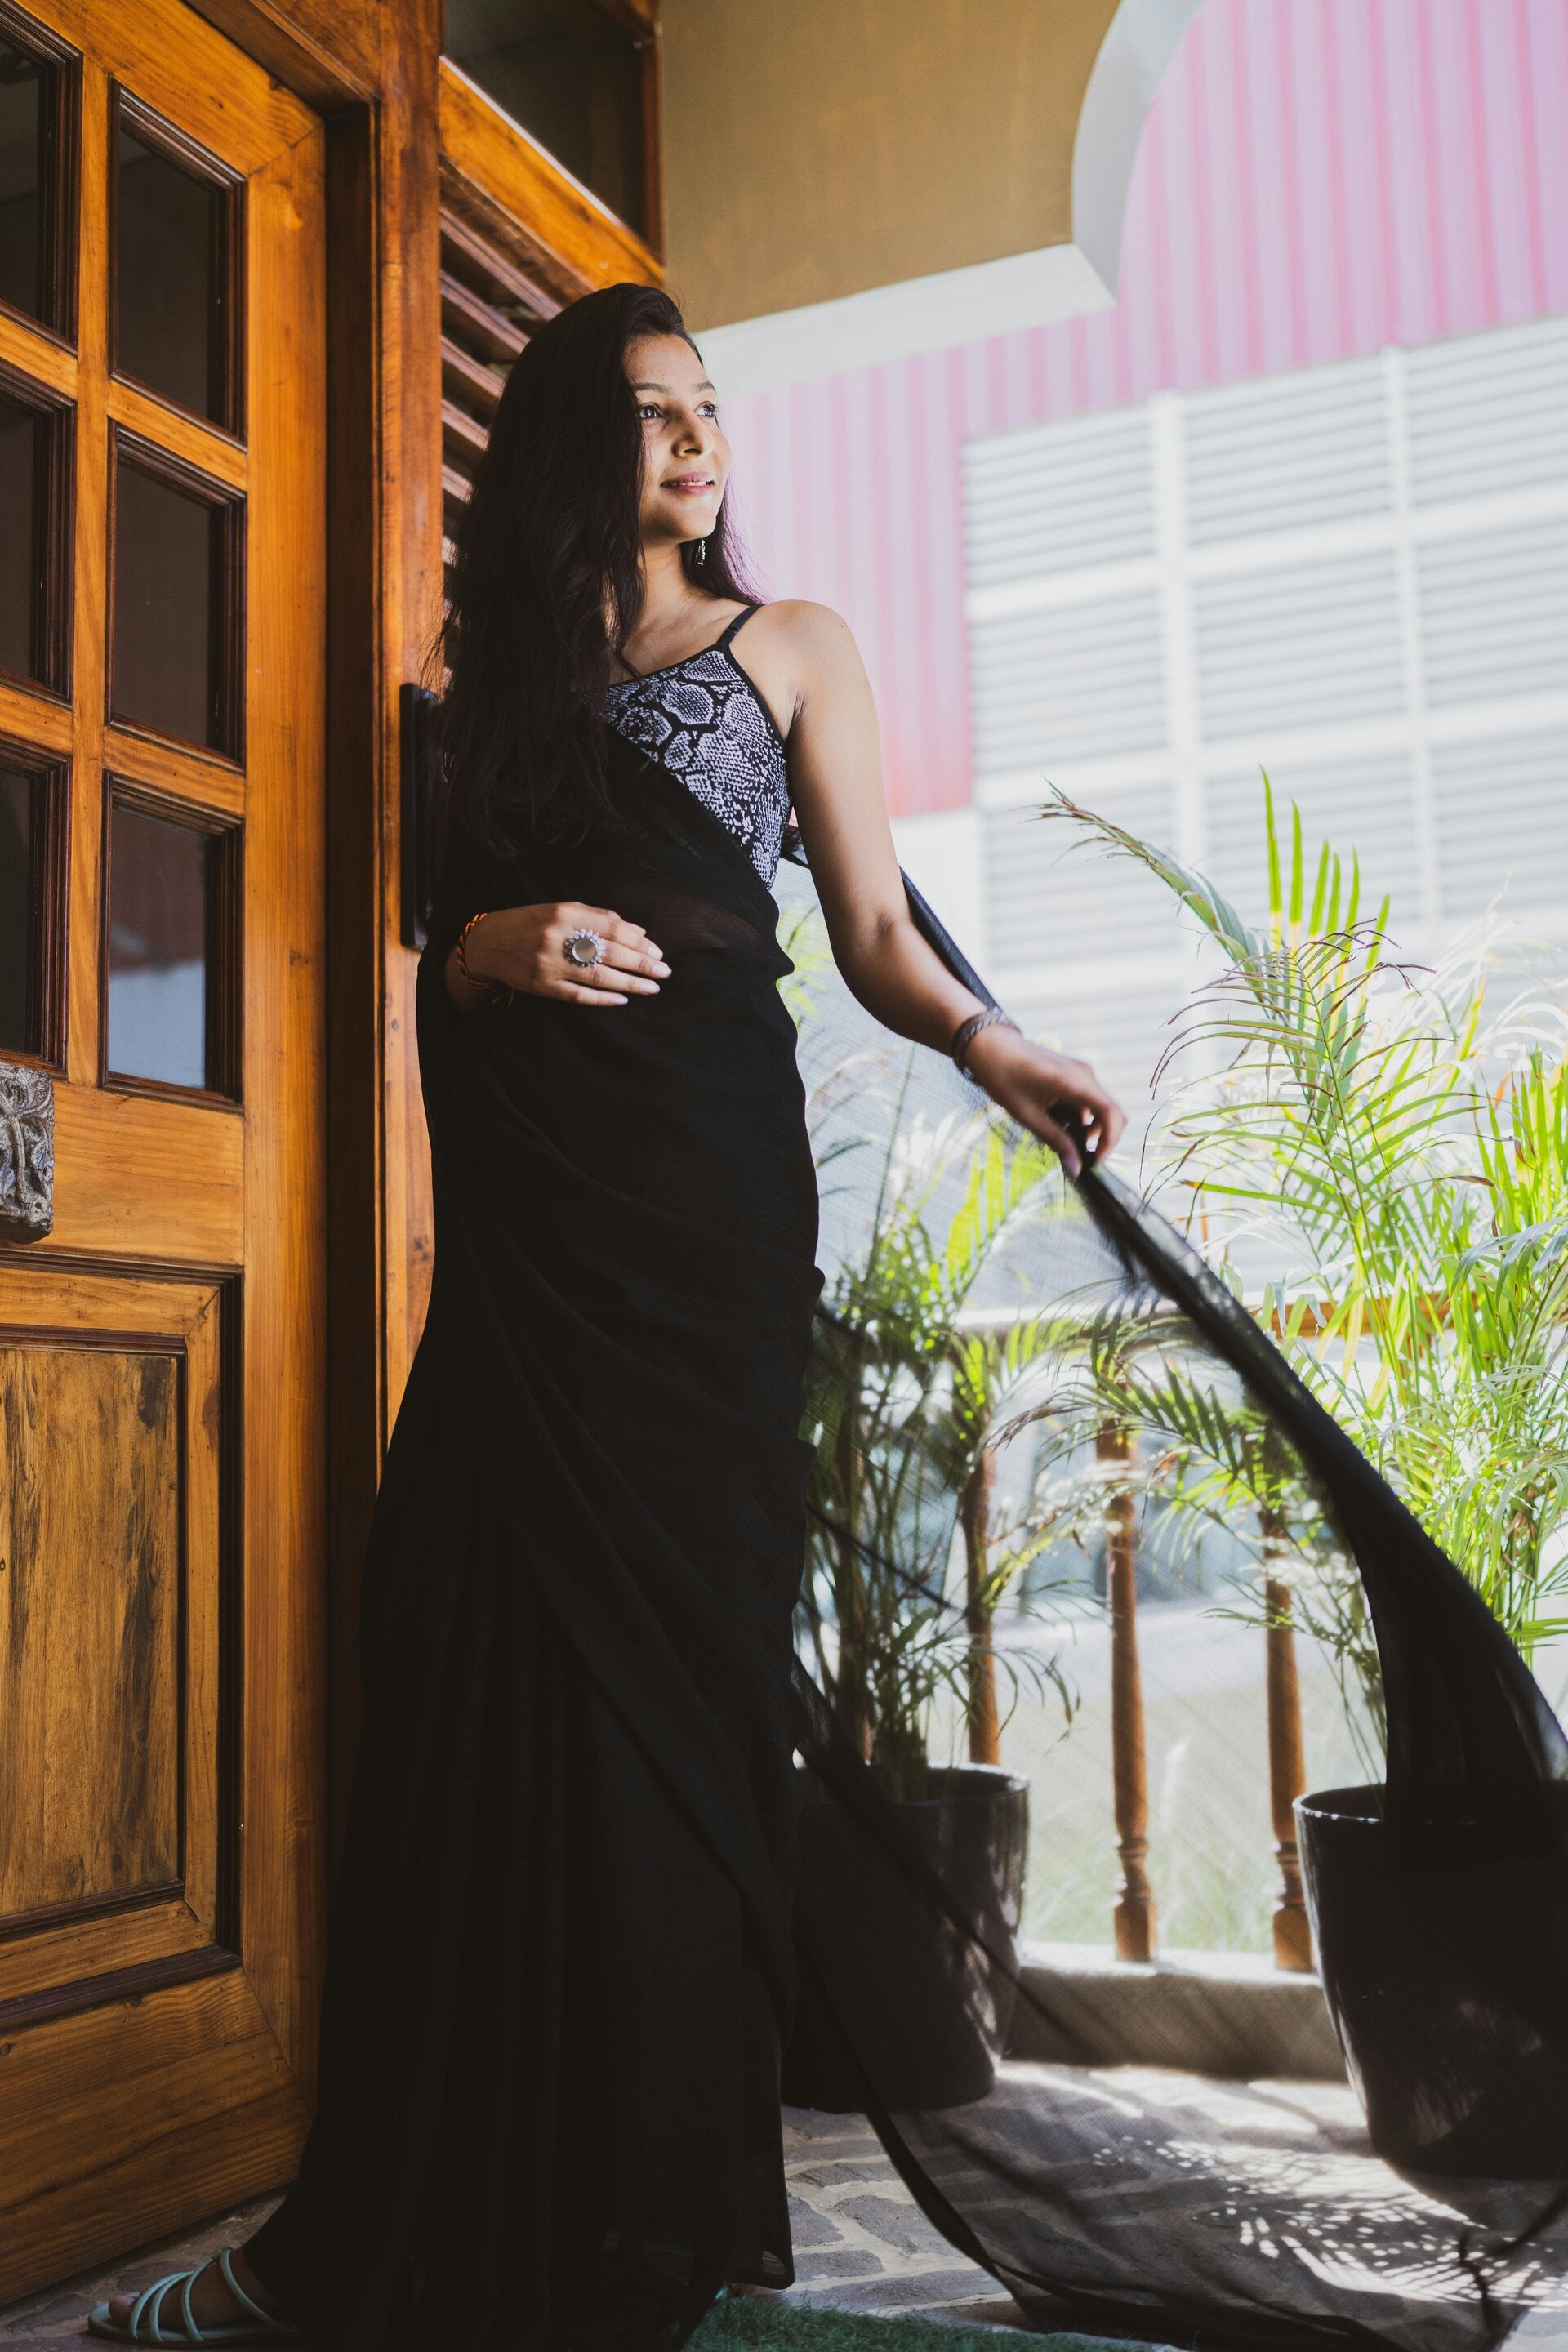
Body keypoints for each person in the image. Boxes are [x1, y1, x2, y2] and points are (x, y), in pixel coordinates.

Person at [91, 282, 1121, 2352]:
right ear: (578, 443)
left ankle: (642, 2221)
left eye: (710, 408)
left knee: (674, 1682)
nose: (699, 439)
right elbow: (421, 944)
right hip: (532, 1253)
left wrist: (993, 1042)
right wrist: (489, 946)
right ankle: (436, 2195)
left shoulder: (793, 648)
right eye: (656, 412)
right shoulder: (474, 705)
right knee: (460, 1636)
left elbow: (870, 928)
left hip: (703, 1232)